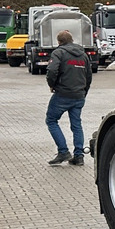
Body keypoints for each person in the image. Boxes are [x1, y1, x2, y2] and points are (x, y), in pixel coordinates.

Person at [46, 29, 92, 165]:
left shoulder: (58, 52)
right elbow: (88, 76)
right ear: (71, 40)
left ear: (59, 42)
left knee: (51, 120)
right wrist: (84, 91)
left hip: (63, 94)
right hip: (79, 95)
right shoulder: (83, 55)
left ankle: (63, 152)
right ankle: (79, 156)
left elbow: (52, 70)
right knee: (76, 124)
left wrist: (52, 85)